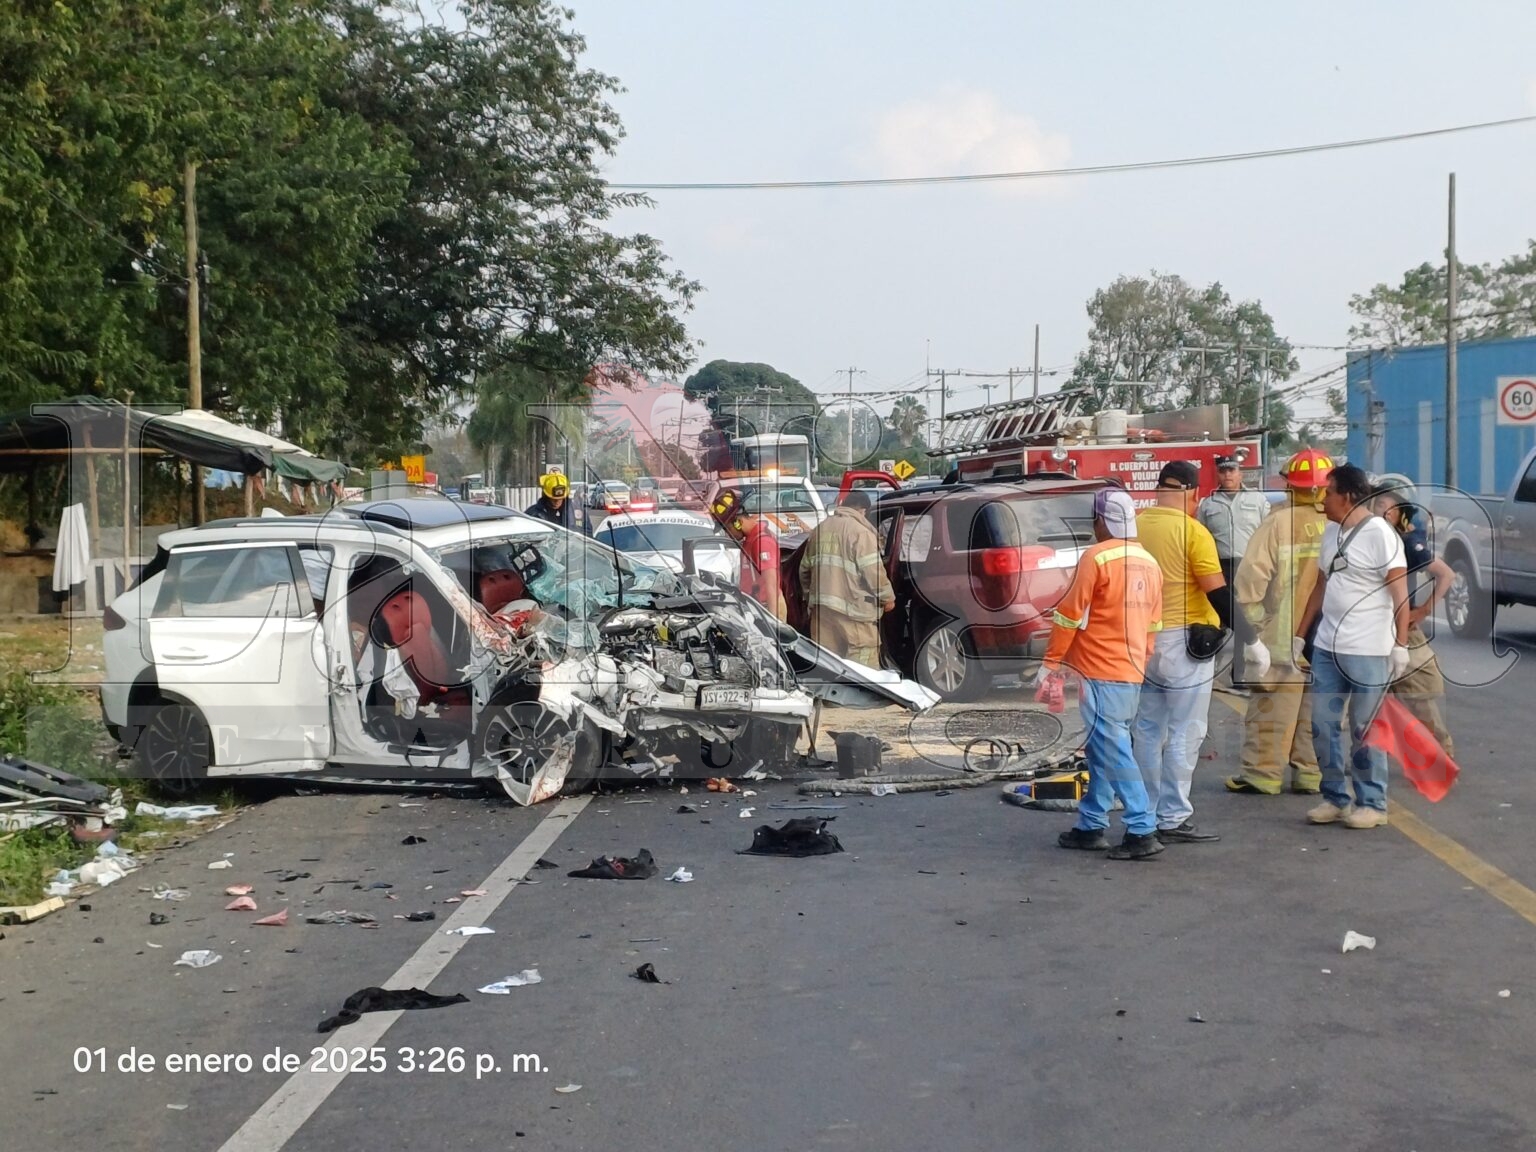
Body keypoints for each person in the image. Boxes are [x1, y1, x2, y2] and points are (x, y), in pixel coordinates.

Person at [1040, 488, 1166, 861]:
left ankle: (1142, 827)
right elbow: (1153, 624)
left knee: (1112, 748)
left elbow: (1068, 614)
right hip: (1129, 670)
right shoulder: (1149, 561)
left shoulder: (1096, 557)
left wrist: (1051, 662)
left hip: (1098, 668)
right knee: (1102, 750)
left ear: (1099, 521)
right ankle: (1091, 824)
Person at [1292, 463, 1409, 829]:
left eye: (1328, 492)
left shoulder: (1380, 534)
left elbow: (1400, 593)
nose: (1322, 499)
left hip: (1369, 649)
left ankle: (1372, 803)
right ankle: (1335, 798)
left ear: (1348, 496)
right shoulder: (1331, 532)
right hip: (1328, 647)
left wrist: (1400, 644)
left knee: (1365, 727)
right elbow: (1321, 586)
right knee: (1323, 724)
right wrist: (1301, 634)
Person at [1225, 449, 1331, 796]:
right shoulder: (1339, 522)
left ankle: (1262, 775)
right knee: (1314, 711)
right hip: (1326, 636)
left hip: (1283, 637)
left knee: (1271, 710)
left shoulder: (1278, 523)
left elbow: (1249, 583)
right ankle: (1310, 774)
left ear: (1290, 484)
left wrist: (1255, 627)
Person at [1131, 460, 1227, 844]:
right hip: (1186, 645)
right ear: (1192, 493)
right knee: (1186, 730)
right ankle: (1172, 815)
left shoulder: (1133, 526)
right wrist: (1250, 637)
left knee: (1147, 730)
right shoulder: (1193, 531)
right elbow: (1215, 590)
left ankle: (1145, 813)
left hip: (1141, 642)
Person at [1372, 483, 1456, 758]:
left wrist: (1424, 611)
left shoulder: (1407, 543)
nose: (1378, 511)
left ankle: (1440, 757)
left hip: (1402, 627)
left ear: (1400, 513)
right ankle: (1369, 757)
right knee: (1367, 699)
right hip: (1369, 628)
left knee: (1420, 698)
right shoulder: (1366, 539)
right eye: (1376, 505)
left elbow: (1445, 575)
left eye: (1385, 506)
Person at [798, 488, 894, 667]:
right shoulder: (861, 532)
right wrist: (888, 598)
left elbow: (804, 570)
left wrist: (810, 597)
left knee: (828, 665)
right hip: (854, 613)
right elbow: (874, 572)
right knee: (863, 669)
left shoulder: (821, 529)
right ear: (864, 511)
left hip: (822, 613)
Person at [1197, 455, 1271, 685]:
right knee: (1223, 618)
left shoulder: (1257, 500)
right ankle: (1210, 667)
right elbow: (1201, 537)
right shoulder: (1208, 504)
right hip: (1220, 566)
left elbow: (1267, 534)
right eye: (1223, 471)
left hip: (1250, 566)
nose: (1228, 474)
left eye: (1232, 470)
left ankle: (1240, 673)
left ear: (1240, 473)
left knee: (1246, 617)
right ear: (1218, 474)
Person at [709, 487, 787, 620]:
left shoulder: (761, 542)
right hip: (756, 607)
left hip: (767, 608)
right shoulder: (749, 541)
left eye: (728, 529)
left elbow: (771, 583)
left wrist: (774, 623)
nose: (728, 535)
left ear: (738, 523)